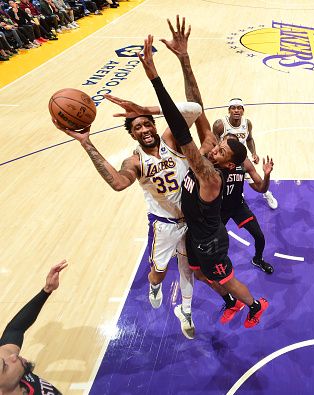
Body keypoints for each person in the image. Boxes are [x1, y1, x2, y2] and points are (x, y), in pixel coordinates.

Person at [52, 23, 210, 338]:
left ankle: (188, 313)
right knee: (160, 272)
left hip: (191, 218)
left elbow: (194, 109)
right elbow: (118, 183)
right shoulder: (134, 161)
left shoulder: (171, 139)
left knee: (190, 268)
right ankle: (154, 287)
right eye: (137, 126)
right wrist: (87, 143)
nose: (144, 128)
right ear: (133, 133)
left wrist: (145, 107)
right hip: (163, 224)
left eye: (147, 122)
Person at [137, 32, 269, 328]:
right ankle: (230, 302)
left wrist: (155, 78)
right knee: (198, 274)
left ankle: (254, 305)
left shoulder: (209, 176)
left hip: (211, 243)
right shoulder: (212, 154)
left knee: (226, 278)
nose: (215, 146)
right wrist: (185, 60)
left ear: (228, 162)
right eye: (217, 144)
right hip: (195, 235)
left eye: (221, 149)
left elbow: (181, 131)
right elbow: (196, 111)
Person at [0, 261, 67, 394]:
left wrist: (47, 290)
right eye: (5, 367)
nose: (12, 356)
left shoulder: (9, 364)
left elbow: (16, 328)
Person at [220, 136, 275, 274]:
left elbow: (261, 188)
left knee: (259, 236)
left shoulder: (244, 163)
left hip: (238, 206)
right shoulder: (216, 161)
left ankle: (258, 259)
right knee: (216, 241)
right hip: (219, 208)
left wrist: (266, 175)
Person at [212, 100, 279, 210]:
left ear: (243, 111)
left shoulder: (247, 123)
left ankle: (266, 192)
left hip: (241, 159)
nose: (236, 110)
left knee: (258, 182)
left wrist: (254, 153)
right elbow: (215, 145)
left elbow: (249, 139)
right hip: (224, 161)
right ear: (229, 110)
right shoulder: (219, 125)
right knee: (222, 186)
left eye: (239, 108)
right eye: (233, 108)